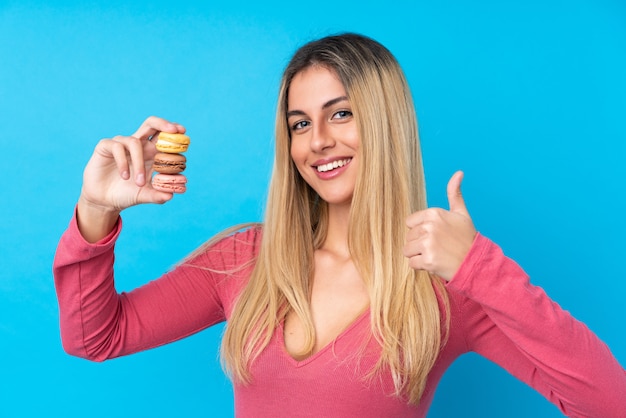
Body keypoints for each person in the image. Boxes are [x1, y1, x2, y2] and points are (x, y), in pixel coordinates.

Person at [53, 33, 625, 417]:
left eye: (341, 114)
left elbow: (607, 400)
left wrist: (479, 268)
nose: (318, 141)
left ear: (385, 121)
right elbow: (95, 337)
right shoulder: (245, 258)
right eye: (300, 124)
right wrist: (96, 208)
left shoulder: (445, 283)